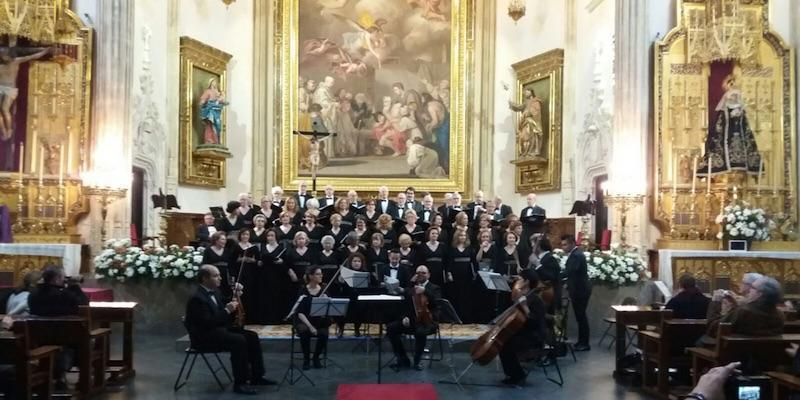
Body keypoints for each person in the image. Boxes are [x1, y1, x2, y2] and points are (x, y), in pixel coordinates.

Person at [185, 265, 273, 395]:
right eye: (216, 276)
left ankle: (257, 376)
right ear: (204, 278)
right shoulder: (196, 298)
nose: (220, 278)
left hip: (218, 330)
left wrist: (236, 296)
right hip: (204, 337)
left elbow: (223, 306)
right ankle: (240, 383)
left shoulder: (215, 291)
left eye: (219, 275)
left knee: (252, 336)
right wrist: (227, 310)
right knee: (238, 341)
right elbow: (208, 323)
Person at [27, 265, 88, 389]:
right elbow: (83, 305)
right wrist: (75, 286)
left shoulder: (33, 295)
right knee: (85, 339)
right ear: (56, 279)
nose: (64, 280)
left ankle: (57, 377)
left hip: (38, 338)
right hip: (65, 339)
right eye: (62, 277)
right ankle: (83, 382)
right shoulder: (64, 295)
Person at [498, 268, 548, 386]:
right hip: (525, 332)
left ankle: (518, 375)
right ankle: (512, 374)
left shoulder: (535, 299)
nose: (517, 280)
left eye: (520, 278)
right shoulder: (524, 295)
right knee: (503, 342)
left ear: (526, 281)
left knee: (507, 344)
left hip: (535, 336)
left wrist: (524, 306)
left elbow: (534, 322)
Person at [702, 276, 784, 345]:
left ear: (760, 294)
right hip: (764, 356)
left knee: (700, 341)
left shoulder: (743, 312)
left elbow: (712, 328)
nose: (749, 290)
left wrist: (716, 302)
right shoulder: (780, 315)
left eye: (752, 287)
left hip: (735, 355)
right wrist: (736, 305)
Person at [387, 265, 441, 371]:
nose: (420, 275)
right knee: (391, 328)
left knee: (420, 332)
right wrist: (404, 317)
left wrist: (425, 291)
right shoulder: (411, 289)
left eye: (423, 273)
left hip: (428, 322)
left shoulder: (435, 288)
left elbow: (437, 304)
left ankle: (417, 361)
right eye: (418, 273)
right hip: (412, 321)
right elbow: (404, 306)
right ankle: (403, 359)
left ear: (429, 275)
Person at [294, 266, 331, 370]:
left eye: (321, 274)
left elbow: (328, 310)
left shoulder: (324, 289)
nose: (321, 276)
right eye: (318, 274)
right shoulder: (303, 290)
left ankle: (316, 357)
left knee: (324, 334)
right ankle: (306, 359)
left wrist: (327, 300)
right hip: (304, 320)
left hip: (319, 320)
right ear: (311, 276)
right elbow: (300, 312)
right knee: (304, 332)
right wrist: (310, 327)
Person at [560, 234, 591, 351]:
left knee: (581, 317)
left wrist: (556, 276)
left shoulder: (576, 255)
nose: (563, 247)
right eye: (562, 245)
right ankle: (581, 342)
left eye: (565, 244)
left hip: (581, 290)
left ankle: (584, 343)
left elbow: (570, 271)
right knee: (580, 317)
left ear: (572, 243)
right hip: (578, 289)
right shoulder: (575, 254)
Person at [447, 230, 477, 323]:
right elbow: (449, 262)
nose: (462, 237)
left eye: (464, 236)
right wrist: (449, 273)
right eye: (460, 236)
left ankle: (466, 318)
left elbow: (474, 263)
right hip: (456, 276)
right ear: (457, 237)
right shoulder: (452, 249)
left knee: (466, 297)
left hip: (467, 276)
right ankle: (456, 318)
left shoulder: (470, 248)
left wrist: (474, 274)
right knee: (456, 296)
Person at [260, 229, 287, 324]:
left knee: (276, 296)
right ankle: (266, 319)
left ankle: (276, 319)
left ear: (276, 236)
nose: (270, 237)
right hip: (265, 275)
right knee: (266, 296)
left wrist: (282, 262)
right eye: (268, 236)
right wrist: (259, 262)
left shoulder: (281, 248)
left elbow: (286, 262)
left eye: (272, 235)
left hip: (277, 275)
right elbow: (260, 260)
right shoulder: (263, 247)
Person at [202, 231, 235, 300]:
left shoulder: (227, 251)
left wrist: (232, 276)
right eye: (222, 239)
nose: (225, 241)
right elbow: (204, 265)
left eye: (225, 239)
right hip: (213, 276)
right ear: (216, 240)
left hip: (225, 276)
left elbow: (230, 265)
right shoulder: (208, 250)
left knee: (226, 295)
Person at [534, 237, 562, 314]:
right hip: (540, 292)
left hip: (548, 295)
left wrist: (538, 265)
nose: (532, 246)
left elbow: (551, 276)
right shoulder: (539, 257)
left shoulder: (550, 258)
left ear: (539, 247)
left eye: (533, 244)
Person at [199, 78, 229, 144]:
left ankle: (216, 141)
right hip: (210, 110)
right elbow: (203, 100)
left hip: (217, 111)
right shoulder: (208, 91)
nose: (214, 83)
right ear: (210, 83)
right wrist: (202, 102)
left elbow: (221, 100)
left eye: (215, 82)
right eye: (213, 82)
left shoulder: (217, 92)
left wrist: (224, 101)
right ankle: (209, 140)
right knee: (210, 124)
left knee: (217, 125)